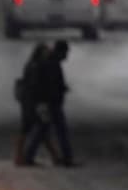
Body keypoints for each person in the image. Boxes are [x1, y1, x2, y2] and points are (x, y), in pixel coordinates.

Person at [24, 40, 79, 168]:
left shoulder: (50, 62)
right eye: (66, 53)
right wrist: (60, 90)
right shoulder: (51, 63)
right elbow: (48, 85)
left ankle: (29, 156)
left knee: (42, 130)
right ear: (60, 51)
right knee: (60, 131)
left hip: (48, 102)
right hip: (51, 103)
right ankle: (67, 159)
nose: (67, 56)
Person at [14, 43, 62, 167]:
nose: (48, 54)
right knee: (38, 128)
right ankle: (21, 157)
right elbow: (37, 86)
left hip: (29, 102)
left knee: (38, 129)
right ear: (40, 53)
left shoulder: (31, 65)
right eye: (46, 52)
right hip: (35, 103)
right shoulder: (37, 66)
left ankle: (53, 156)